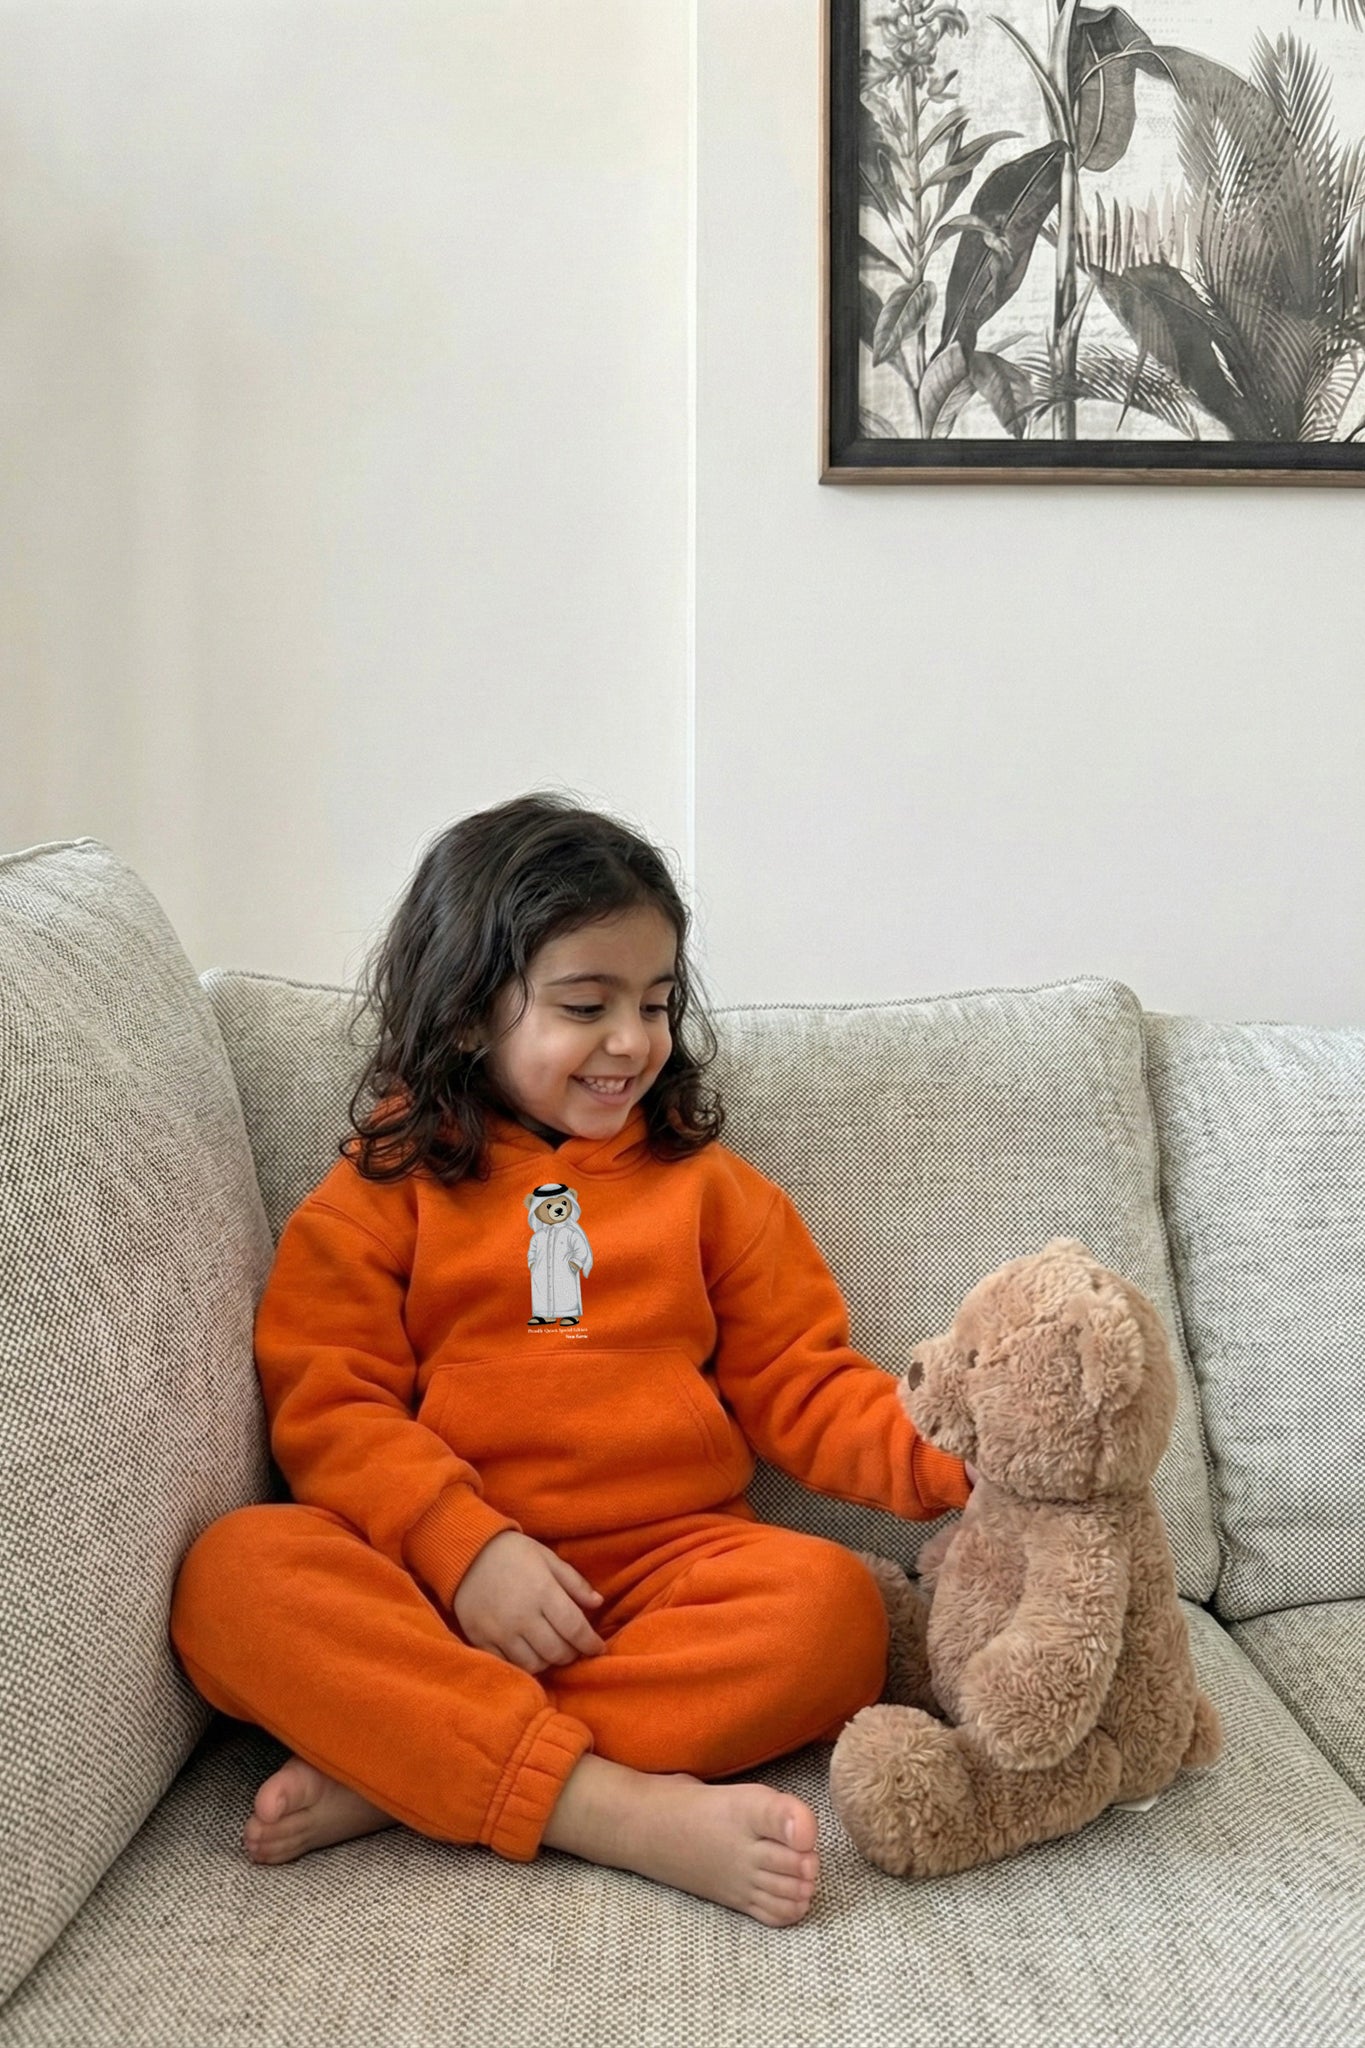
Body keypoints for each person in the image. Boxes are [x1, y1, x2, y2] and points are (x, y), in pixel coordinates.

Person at [170, 791, 971, 1928]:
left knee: (835, 1614)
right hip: (433, 1587)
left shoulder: (714, 1194)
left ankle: (411, 1760)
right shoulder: (380, 1193)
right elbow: (330, 1407)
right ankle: (603, 1806)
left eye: (655, 1002)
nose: (633, 1040)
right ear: (465, 1016)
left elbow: (804, 1382)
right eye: (586, 1005)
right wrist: (466, 1549)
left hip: (661, 1573)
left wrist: (964, 1454)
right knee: (232, 1576)